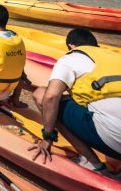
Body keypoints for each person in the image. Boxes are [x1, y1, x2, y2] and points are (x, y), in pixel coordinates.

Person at [29, 28, 121, 171]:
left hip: (115, 137)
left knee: (41, 94)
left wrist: (47, 137)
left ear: (71, 46)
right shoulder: (115, 56)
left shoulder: (71, 57)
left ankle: (91, 162)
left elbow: (51, 96)